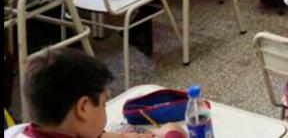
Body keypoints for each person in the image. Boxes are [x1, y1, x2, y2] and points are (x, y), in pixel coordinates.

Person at [4, 48, 185, 138]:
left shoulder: (16, 132)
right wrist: (171, 133)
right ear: (83, 108)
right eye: (104, 103)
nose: (105, 109)